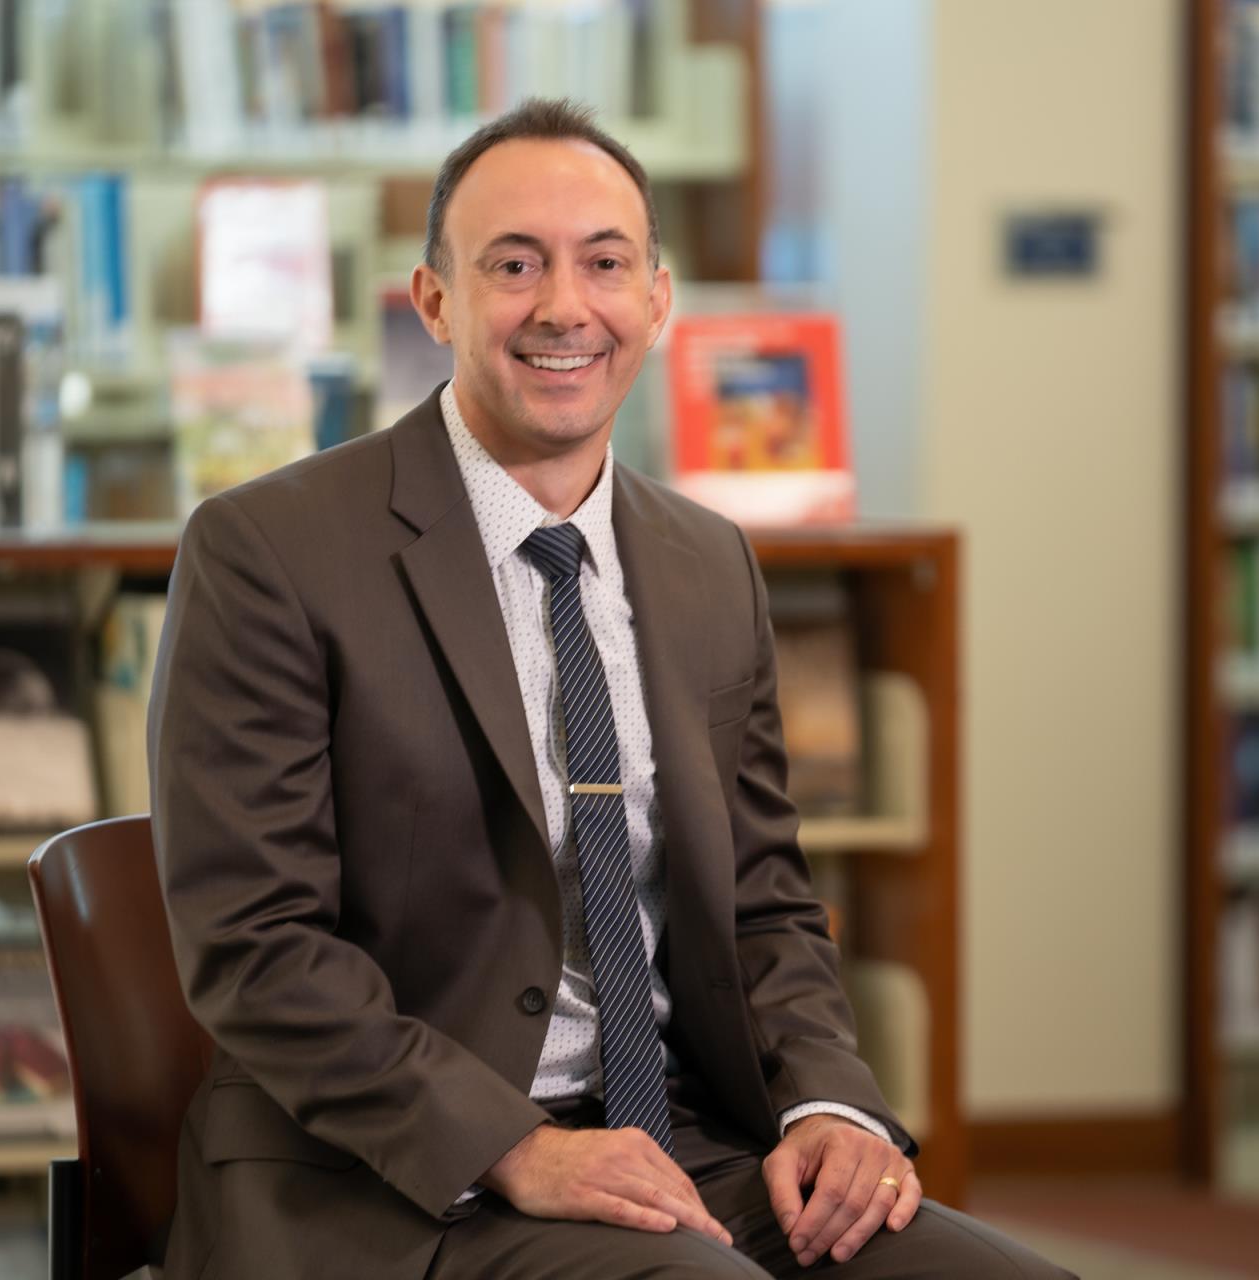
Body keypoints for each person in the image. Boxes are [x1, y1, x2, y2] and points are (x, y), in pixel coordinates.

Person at [147, 98, 1069, 1279]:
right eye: (514, 264)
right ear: (434, 302)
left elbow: (766, 901)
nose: (563, 306)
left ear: (657, 301)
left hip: (680, 1144)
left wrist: (829, 1103)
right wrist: (515, 1143)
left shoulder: (707, 562)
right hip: (390, 1177)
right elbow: (255, 945)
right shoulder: (267, 550)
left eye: (604, 262)